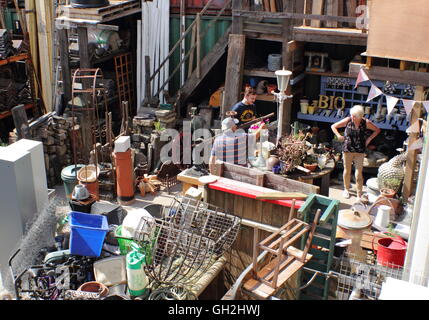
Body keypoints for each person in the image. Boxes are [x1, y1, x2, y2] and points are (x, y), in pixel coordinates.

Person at [331, 105, 381, 199]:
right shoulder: (348, 120)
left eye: (355, 116)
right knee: (347, 171)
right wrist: (338, 135)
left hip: (360, 150)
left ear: (360, 116)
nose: (353, 117)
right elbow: (333, 126)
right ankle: (346, 189)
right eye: (352, 115)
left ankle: (359, 193)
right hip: (347, 149)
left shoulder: (365, 122)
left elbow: (377, 130)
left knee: (358, 173)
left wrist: (369, 139)